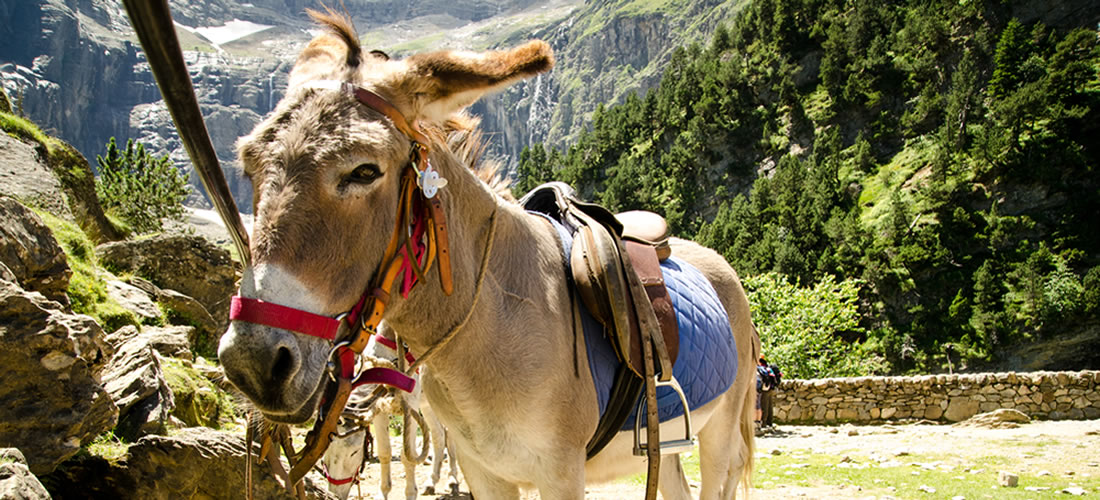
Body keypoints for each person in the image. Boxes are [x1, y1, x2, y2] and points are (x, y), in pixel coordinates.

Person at [756, 355, 782, 431]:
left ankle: (763, 423)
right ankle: (769, 422)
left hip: (764, 389)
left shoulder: (760, 368)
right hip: (770, 388)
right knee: (769, 406)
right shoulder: (767, 367)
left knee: (764, 406)